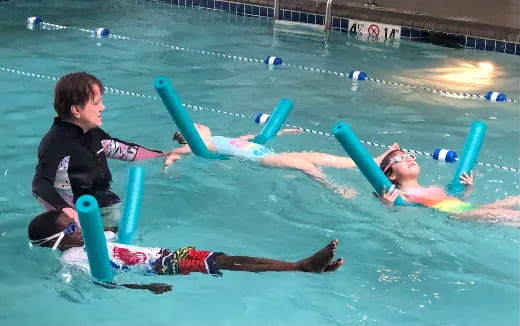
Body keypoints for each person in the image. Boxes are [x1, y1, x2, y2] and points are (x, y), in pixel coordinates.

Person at [28, 210, 345, 295]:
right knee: (226, 261)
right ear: (58, 241)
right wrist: (143, 286)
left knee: (226, 258)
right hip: (158, 268)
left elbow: (115, 233)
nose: (79, 227)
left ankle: (300, 267)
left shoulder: (91, 240)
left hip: (162, 255)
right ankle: (300, 266)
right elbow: (102, 281)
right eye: (71, 228)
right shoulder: (74, 259)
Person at [32, 72, 172, 224]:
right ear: (76, 110)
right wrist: (67, 211)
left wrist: (162, 155)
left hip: (104, 202)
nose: (103, 107)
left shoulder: (92, 132)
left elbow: (122, 149)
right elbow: (40, 184)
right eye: (96, 103)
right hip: (80, 214)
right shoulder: (56, 143)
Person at [165, 124, 399, 199]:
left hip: (266, 152)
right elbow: (176, 153)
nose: (201, 124)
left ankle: (372, 161)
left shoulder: (218, 139)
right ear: (190, 135)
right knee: (306, 165)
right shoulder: (202, 144)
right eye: (195, 126)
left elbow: (251, 139)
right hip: (265, 160)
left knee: (317, 157)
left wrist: (282, 132)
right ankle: (338, 190)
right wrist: (171, 160)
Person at [377, 147, 520, 225]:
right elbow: (399, 216)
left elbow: (454, 200)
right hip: (458, 214)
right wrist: (389, 205)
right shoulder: (401, 194)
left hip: (466, 208)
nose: (408, 158)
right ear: (391, 175)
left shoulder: (428, 188)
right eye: (400, 158)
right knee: (513, 216)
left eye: (409, 155)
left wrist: (468, 188)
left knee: (512, 200)